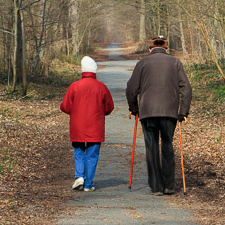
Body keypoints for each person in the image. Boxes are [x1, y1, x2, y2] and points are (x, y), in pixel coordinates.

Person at [125, 36, 192, 195]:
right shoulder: (175, 63)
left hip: (147, 112)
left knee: (152, 147)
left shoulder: (142, 63)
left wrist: (134, 108)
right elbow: (187, 88)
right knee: (168, 146)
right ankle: (169, 186)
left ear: (150, 49)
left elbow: (131, 89)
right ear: (166, 49)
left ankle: (156, 187)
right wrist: (183, 112)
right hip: (169, 112)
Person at [60, 56, 115, 192]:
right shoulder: (101, 87)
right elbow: (109, 107)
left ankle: (79, 176)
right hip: (95, 127)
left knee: (78, 150)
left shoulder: (74, 86)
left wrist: (75, 114)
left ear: (82, 70)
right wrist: (101, 113)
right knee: (92, 155)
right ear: (94, 71)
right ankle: (88, 184)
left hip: (77, 126)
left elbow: (65, 106)